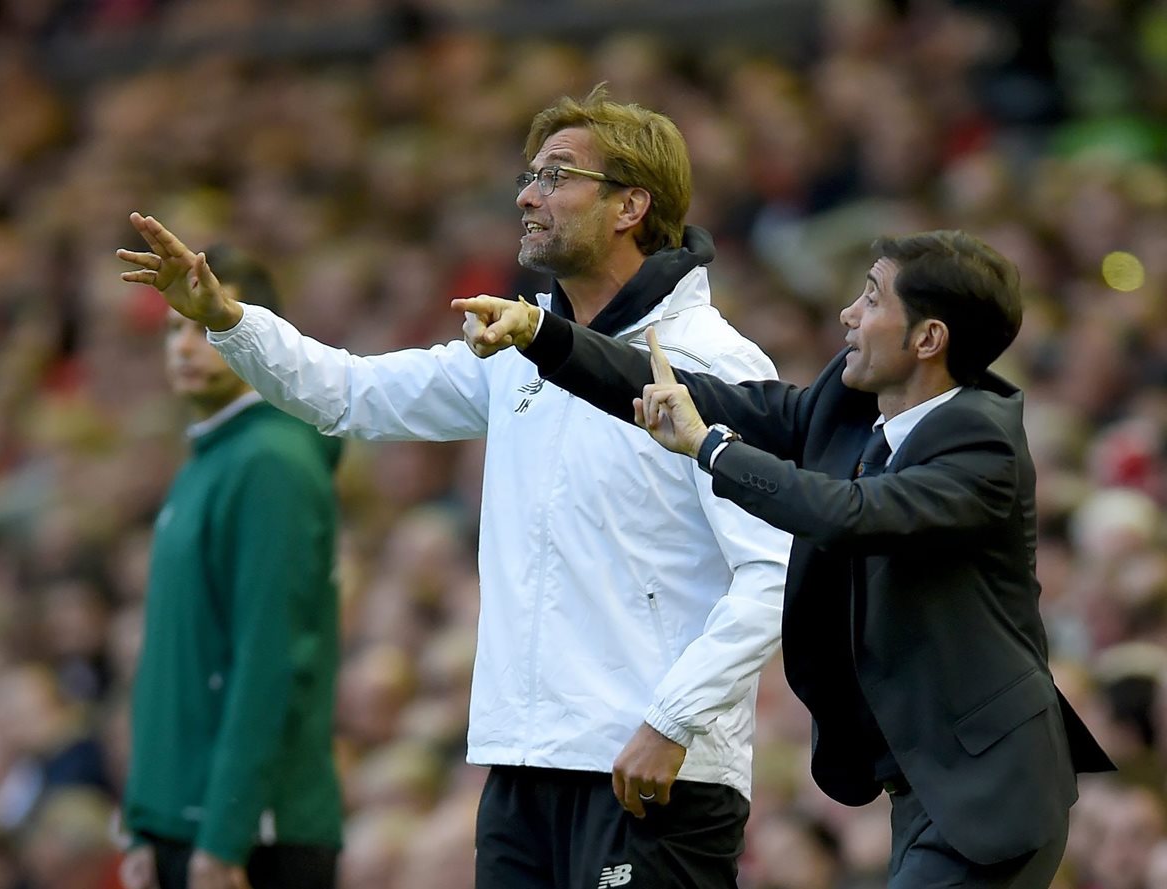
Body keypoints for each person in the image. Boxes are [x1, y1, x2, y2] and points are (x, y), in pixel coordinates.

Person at [117, 86, 792, 889]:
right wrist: (228, 318)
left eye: (555, 175)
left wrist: (672, 718)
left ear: (630, 206)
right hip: (520, 768)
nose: (526, 195)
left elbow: (773, 571)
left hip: (654, 770)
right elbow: (349, 394)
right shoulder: (521, 355)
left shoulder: (719, 363)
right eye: (529, 174)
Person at [454, 229, 1117, 889]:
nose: (847, 315)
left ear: (927, 338)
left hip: (991, 788)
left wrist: (711, 449)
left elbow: (849, 514)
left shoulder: (982, 445)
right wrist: (542, 335)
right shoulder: (852, 407)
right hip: (925, 789)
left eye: (871, 299)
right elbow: (693, 394)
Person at [118, 245, 343, 889]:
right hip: (188, 823)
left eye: (203, 326)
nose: (184, 347)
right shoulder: (211, 458)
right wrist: (145, 821)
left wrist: (225, 836)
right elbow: (175, 664)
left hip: (246, 837)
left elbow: (270, 655)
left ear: (255, 332)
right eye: (172, 329)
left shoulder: (270, 462)